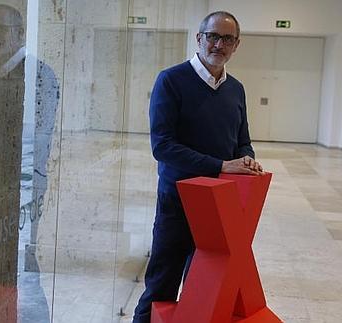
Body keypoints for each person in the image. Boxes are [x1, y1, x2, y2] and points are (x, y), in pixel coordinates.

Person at [132, 11, 264, 323]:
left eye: (227, 39)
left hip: (219, 207)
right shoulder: (171, 80)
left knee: (202, 291)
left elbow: (241, 140)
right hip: (177, 202)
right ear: (199, 39)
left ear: (236, 45)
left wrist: (246, 158)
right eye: (213, 36)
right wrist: (221, 165)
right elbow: (162, 146)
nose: (219, 44)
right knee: (161, 285)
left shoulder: (236, 89)